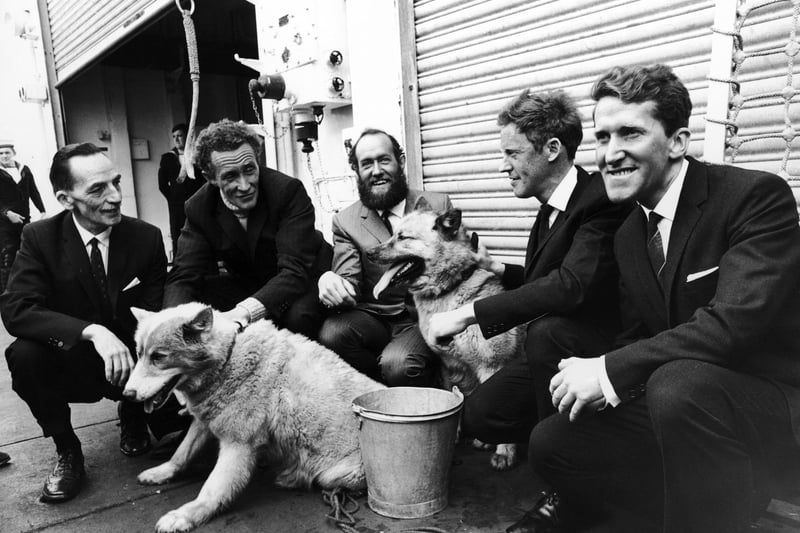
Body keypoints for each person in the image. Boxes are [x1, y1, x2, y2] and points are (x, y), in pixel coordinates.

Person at [514, 64, 800, 533]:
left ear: (677, 142)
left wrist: (609, 370)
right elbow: (643, 331)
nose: (610, 153)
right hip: (685, 402)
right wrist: (591, 370)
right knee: (553, 442)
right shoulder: (631, 233)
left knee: (678, 385)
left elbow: (732, 327)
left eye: (629, 133)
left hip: (774, 410)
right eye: (602, 137)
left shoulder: (753, 197)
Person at [426, 90, 632, 449]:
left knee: (548, 331)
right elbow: (548, 280)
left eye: (512, 153)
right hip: (550, 350)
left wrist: (466, 315)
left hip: (597, 351)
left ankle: (572, 462)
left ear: (552, 150)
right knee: (481, 416)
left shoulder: (600, 199)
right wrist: (499, 268)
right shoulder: (549, 207)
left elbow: (571, 286)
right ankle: (557, 438)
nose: (503, 166)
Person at [0, 143, 168, 503]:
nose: (115, 197)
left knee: (179, 434)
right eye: (97, 189)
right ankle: (67, 449)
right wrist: (91, 332)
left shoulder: (147, 238)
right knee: (24, 355)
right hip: (74, 358)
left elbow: (155, 312)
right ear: (65, 198)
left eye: (116, 183)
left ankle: (134, 411)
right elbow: (17, 309)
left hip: (133, 360)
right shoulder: (40, 238)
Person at [164, 119, 330, 339]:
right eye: (230, 176)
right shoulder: (198, 206)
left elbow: (294, 271)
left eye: (249, 169)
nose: (245, 185)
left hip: (305, 281)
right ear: (210, 177)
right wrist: (172, 326)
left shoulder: (287, 191)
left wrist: (243, 313)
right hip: (251, 283)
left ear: (257, 161)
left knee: (296, 319)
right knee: (198, 303)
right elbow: (184, 276)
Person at [317, 128, 451, 385]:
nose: (376, 170)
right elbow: (348, 281)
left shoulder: (437, 205)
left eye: (384, 160)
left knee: (399, 363)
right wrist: (330, 282)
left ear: (400, 161)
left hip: (427, 313)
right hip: (376, 318)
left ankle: (419, 389)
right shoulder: (345, 221)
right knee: (332, 333)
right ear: (356, 171)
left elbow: (454, 265)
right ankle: (378, 391)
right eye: (366, 164)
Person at [0, 141, 46, 291]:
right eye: (0, 153)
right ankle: (6, 295)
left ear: (13, 153)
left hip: (24, 220)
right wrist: (7, 213)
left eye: (7, 152)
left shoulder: (24, 170)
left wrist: (42, 211)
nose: (4, 156)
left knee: (26, 254)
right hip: (4, 224)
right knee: (8, 257)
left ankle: (24, 290)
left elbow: (33, 191)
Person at [158, 124, 203, 257]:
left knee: (199, 232)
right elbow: (162, 185)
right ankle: (180, 266)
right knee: (178, 235)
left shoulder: (197, 157)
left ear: (187, 137)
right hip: (177, 206)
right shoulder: (167, 158)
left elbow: (203, 180)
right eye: (174, 137)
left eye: (180, 136)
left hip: (196, 203)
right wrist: (173, 199)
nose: (176, 140)